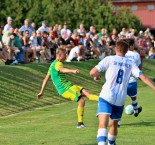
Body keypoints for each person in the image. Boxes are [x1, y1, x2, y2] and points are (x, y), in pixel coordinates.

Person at [90, 39, 155, 145]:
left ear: (116, 48)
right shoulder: (130, 63)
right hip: (120, 99)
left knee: (103, 125)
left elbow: (92, 72)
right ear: (126, 51)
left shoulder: (109, 59)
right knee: (114, 125)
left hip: (106, 96)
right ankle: (111, 143)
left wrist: (96, 76)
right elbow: (143, 77)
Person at [37, 47, 98, 128]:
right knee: (81, 101)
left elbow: (46, 79)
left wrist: (41, 91)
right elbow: (62, 70)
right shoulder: (58, 64)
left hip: (70, 86)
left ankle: (105, 100)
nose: (66, 56)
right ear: (59, 55)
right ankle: (80, 124)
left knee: (88, 94)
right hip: (65, 89)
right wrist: (72, 71)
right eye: (64, 54)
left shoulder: (52, 65)